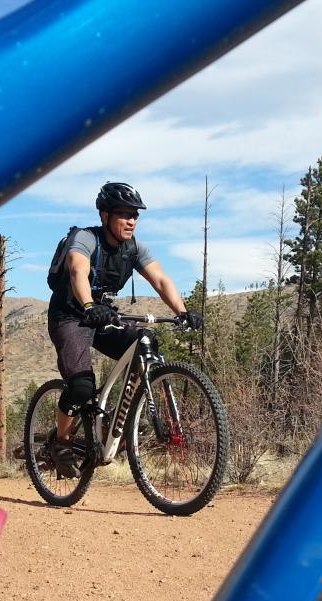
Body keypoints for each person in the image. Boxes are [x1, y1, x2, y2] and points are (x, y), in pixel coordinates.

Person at [44, 181, 201, 477]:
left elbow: (161, 280)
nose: (131, 220)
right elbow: (78, 270)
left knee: (146, 341)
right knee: (80, 387)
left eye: (135, 215)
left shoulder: (134, 247)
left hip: (103, 317)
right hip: (70, 316)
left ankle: (126, 416)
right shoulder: (87, 238)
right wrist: (89, 305)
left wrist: (182, 311)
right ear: (105, 215)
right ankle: (61, 444)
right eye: (123, 214)